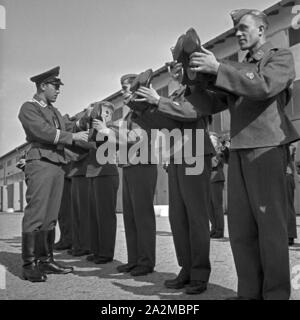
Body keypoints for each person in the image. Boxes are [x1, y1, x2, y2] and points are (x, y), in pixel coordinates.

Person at [188, 9, 299, 299]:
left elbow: (263, 86)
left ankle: (275, 295)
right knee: (241, 230)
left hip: (266, 149)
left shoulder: (279, 57)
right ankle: (249, 293)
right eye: (236, 29)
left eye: (243, 28)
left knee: (270, 230)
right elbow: (211, 105)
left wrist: (220, 69)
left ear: (262, 30)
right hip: (238, 151)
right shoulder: (236, 69)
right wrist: (193, 80)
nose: (238, 33)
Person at [132, 60, 215, 294]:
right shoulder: (177, 94)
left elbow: (190, 113)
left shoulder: (198, 89)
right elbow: (163, 123)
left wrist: (158, 101)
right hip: (177, 156)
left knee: (197, 217)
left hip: (196, 152)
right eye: (173, 68)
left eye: (180, 66)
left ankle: (199, 273)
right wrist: (141, 107)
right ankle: (186, 269)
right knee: (178, 217)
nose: (175, 71)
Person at [18, 66, 89, 282]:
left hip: (56, 163)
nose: (58, 91)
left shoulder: (53, 111)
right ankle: (29, 264)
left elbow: (67, 124)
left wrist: (85, 117)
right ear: (42, 86)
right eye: (55, 86)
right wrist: (73, 137)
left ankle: (45, 259)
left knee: (50, 217)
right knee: (36, 213)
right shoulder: (29, 107)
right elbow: (42, 131)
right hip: (40, 162)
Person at [111, 74, 158, 277]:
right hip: (130, 166)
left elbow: (135, 137)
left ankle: (146, 261)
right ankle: (134, 259)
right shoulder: (130, 114)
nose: (122, 92)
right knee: (130, 217)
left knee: (143, 216)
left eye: (125, 88)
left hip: (142, 166)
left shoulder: (143, 111)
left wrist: (110, 130)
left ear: (136, 89)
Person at [85, 101, 119, 264]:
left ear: (109, 115)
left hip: (106, 172)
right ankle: (96, 249)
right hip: (93, 173)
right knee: (94, 215)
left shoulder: (113, 128)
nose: (99, 116)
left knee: (105, 215)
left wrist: (102, 129)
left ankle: (106, 252)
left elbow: (116, 144)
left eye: (104, 113)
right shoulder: (94, 129)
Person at [209, 133, 225, 239]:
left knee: (217, 206)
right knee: (209, 207)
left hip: (216, 179)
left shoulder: (219, 153)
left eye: (212, 141)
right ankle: (214, 228)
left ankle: (219, 230)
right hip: (208, 180)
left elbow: (213, 164)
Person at [54, 162, 73, 251]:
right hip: (62, 171)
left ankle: (67, 239)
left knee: (65, 210)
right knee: (62, 210)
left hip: (66, 172)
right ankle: (65, 238)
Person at [287, 143, 298, 246]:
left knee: (288, 207)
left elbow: (289, 152)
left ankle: (290, 235)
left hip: (287, 175)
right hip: (279, 176)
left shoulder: (290, 145)